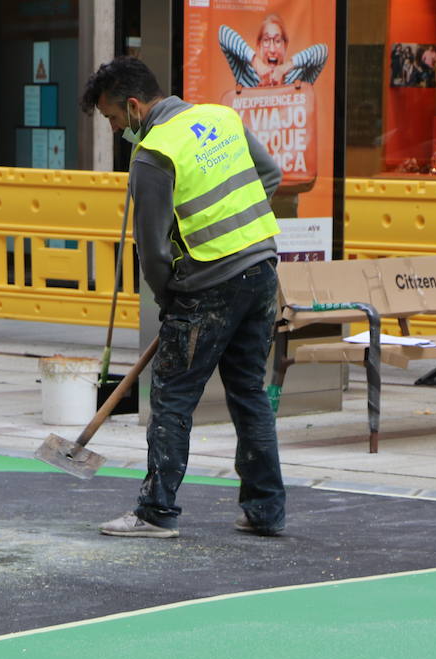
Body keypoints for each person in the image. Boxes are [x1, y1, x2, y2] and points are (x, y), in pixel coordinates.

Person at [80, 56, 286, 538]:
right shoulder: (220, 116)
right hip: (260, 272)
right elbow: (270, 175)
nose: (114, 129)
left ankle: (155, 513)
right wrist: (242, 236)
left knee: (171, 399)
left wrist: (170, 297)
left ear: (133, 106)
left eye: (112, 118)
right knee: (249, 394)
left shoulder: (153, 153)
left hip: (206, 287)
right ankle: (266, 510)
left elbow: (151, 251)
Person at [218, 16, 329, 88]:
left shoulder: (297, 79)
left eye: (277, 41)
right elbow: (223, 33)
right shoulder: (246, 73)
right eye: (266, 40)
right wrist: (257, 63)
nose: (272, 49)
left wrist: (284, 68)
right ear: (259, 45)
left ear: (285, 46)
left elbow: (323, 51)